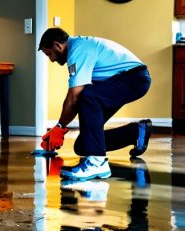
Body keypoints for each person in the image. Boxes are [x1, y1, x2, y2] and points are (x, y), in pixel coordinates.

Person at [38, 27, 152, 181]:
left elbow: (74, 97)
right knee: (83, 145)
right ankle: (136, 132)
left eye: (49, 54)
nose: (51, 59)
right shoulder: (77, 49)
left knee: (87, 96)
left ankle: (97, 162)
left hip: (135, 78)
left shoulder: (79, 50)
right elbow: (75, 97)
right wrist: (60, 128)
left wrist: (59, 127)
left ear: (58, 45)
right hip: (121, 80)